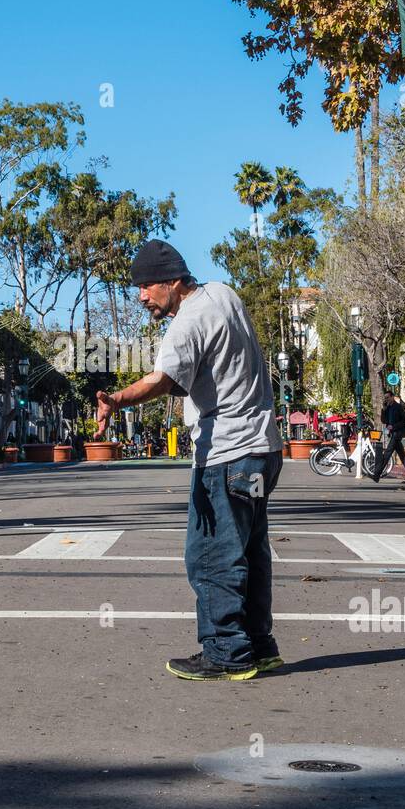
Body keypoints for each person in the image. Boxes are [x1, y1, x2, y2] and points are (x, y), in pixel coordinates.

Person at [95, 239, 284, 682]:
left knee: (211, 556)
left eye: (146, 286)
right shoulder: (224, 294)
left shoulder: (187, 323)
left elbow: (163, 380)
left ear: (173, 280)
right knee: (251, 551)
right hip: (262, 452)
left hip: (227, 456)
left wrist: (116, 400)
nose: (141, 296)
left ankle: (225, 652)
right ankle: (259, 645)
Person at [373, 390, 405, 484]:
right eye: (385, 398)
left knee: (387, 453)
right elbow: (384, 421)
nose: (386, 399)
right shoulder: (388, 408)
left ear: (392, 397)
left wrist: (393, 426)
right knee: (402, 456)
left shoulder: (398, 407)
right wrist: (383, 410)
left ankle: (377, 474)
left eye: (388, 397)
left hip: (397, 433)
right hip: (392, 433)